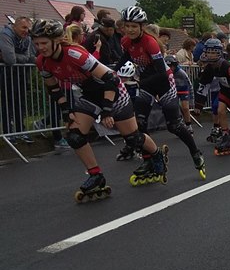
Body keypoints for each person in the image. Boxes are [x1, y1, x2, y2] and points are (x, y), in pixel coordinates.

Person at [31, 19, 167, 199]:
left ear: (56, 40)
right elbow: (53, 88)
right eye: (36, 44)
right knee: (74, 136)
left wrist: (107, 111)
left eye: (44, 43)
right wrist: (65, 110)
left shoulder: (74, 54)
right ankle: (96, 175)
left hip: (112, 91)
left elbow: (110, 79)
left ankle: (157, 154)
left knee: (132, 138)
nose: (40, 48)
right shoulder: (42, 62)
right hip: (89, 94)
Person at [119, 5, 205, 179]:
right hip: (146, 83)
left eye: (134, 26)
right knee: (139, 125)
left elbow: (161, 74)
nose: (130, 30)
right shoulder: (126, 42)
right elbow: (122, 62)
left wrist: (139, 82)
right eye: (127, 26)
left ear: (142, 26)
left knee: (174, 126)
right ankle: (149, 159)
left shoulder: (150, 43)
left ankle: (196, 152)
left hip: (164, 83)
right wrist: (111, 76)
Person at [194, 38, 230, 155]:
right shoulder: (209, 67)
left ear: (219, 53)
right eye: (208, 52)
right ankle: (226, 135)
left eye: (213, 52)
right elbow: (204, 85)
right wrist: (199, 105)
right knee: (220, 110)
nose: (210, 55)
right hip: (225, 90)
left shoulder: (228, 67)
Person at [0, 14, 35, 141]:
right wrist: (18, 58)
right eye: (23, 27)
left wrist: (15, 57)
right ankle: (8, 133)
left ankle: (21, 130)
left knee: (20, 102)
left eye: (28, 28)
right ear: (15, 27)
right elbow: (10, 60)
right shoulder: (5, 34)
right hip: (5, 74)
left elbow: (28, 57)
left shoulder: (27, 38)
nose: (26, 31)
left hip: (20, 74)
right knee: (7, 102)